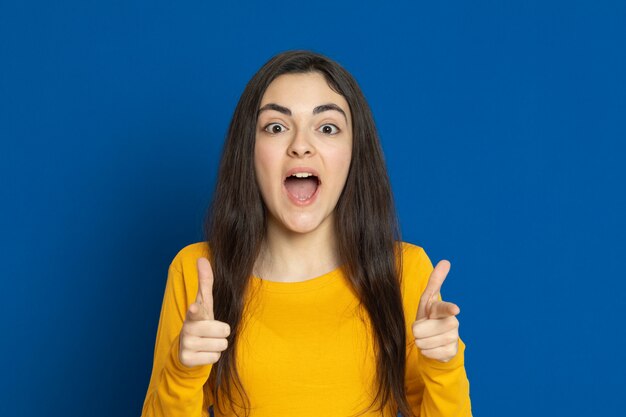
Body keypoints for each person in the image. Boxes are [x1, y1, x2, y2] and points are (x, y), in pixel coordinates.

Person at [141, 50, 472, 417]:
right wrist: (182, 374)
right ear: (248, 150)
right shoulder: (197, 271)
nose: (301, 144)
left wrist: (444, 367)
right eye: (277, 127)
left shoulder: (404, 272)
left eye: (327, 127)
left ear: (353, 153)